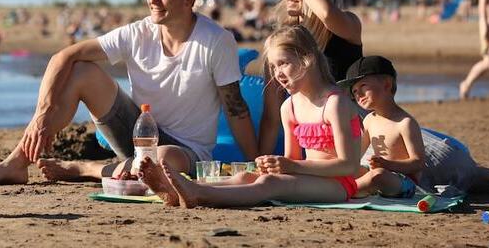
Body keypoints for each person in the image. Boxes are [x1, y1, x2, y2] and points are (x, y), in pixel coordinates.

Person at [0, 0, 258, 185]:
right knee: (81, 70)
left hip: (184, 152)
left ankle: (87, 168)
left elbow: (235, 109)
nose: (153, 1)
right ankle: (17, 162)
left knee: (161, 158)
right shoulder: (137, 33)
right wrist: (41, 115)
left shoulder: (216, 41)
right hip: (137, 132)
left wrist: (258, 162)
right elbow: (63, 56)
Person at [139, 24, 362, 208]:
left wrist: (290, 167)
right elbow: (291, 162)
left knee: (270, 182)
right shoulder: (289, 107)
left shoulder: (335, 104)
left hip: (338, 184)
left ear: (307, 58)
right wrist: (277, 165)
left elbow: (349, 166)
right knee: (247, 177)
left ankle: (198, 193)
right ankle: (179, 192)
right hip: (310, 179)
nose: (278, 74)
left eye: (283, 63)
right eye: (273, 67)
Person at [258, 0, 363, 154]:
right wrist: (259, 160)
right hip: (315, 145)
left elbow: (326, 14)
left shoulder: (347, 25)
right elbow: (271, 117)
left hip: (354, 139)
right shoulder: (281, 43)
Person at [338, 55, 424, 198]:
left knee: (378, 175)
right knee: (348, 169)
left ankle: (343, 191)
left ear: (387, 85)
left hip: (403, 182)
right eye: (354, 91)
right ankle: (346, 187)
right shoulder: (369, 120)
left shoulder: (405, 122)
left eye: (363, 86)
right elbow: (356, 154)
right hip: (376, 173)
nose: (358, 94)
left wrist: (387, 165)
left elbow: (418, 163)